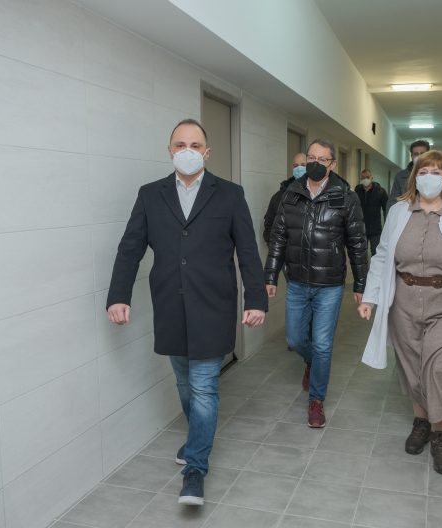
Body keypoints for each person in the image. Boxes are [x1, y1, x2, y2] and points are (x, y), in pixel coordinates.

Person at [106, 119, 267, 506]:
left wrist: (256, 299)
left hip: (214, 305)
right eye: (180, 144)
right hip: (170, 305)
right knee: (183, 380)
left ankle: (195, 467)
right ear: (170, 151)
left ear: (207, 153)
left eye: (195, 145)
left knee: (204, 385)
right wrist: (118, 295)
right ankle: (198, 436)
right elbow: (130, 248)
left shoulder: (229, 194)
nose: (188, 150)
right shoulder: (150, 194)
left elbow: (247, 251)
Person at [357, 150, 442, 475]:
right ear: (414, 177)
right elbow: (382, 256)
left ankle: (440, 433)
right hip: (403, 303)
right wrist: (370, 298)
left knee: (441, 372)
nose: (429, 177)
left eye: (436, 172)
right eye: (423, 171)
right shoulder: (398, 212)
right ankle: (421, 422)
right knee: (413, 368)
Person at [264, 138, 367, 428]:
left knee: (322, 345)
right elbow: (278, 237)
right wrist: (270, 275)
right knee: (295, 339)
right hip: (297, 281)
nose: (315, 163)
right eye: (311, 157)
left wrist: (361, 284)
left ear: (332, 164)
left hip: (329, 285)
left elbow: (357, 243)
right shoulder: (291, 194)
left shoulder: (345, 197)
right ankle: (311, 363)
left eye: (322, 159)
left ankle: (316, 401)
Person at [263, 152, 307, 245]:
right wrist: (276, 248)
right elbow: (269, 226)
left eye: (303, 165)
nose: (299, 169)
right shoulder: (279, 196)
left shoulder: (318, 194)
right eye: (296, 166)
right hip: (286, 251)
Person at [387, 139, 430, 211]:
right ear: (412, 156)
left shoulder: (435, 175)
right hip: (406, 214)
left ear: (428, 155)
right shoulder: (401, 176)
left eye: (422, 153)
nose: (419, 156)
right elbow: (393, 202)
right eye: (416, 154)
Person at [354, 168, 388, 256]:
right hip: (361, 228)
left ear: (372, 178)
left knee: (376, 252)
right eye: (363, 177)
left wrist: (387, 225)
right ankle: (364, 266)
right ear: (360, 179)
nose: (365, 179)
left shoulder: (380, 191)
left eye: (367, 177)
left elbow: (386, 209)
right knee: (361, 252)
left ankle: (374, 266)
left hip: (375, 229)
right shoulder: (357, 190)